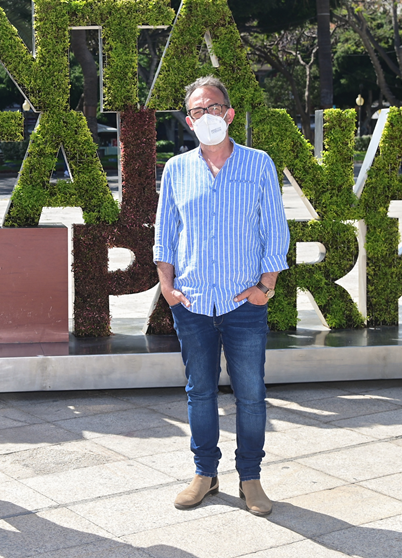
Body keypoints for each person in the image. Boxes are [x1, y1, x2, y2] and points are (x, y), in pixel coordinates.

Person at [153, 75, 290, 516]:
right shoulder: (176, 169)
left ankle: (250, 478)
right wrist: (167, 287)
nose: (206, 115)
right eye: (197, 110)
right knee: (200, 392)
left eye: (213, 107)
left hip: (243, 304)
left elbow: (275, 232)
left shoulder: (258, 164)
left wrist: (265, 288)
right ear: (189, 121)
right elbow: (165, 233)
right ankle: (204, 474)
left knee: (250, 393)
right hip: (192, 304)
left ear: (228, 114)